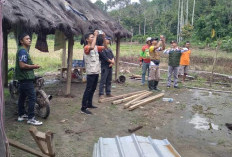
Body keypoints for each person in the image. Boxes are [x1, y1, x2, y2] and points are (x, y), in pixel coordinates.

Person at [15, 33, 43, 126]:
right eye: (27, 39)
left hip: (22, 79)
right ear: (21, 41)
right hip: (26, 78)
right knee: (32, 97)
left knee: (22, 97)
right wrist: (34, 66)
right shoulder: (23, 51)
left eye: (30, 39)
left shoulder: (22, 50)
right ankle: (31, 118)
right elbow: (22, 65)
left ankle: (21, 114)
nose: (29, 40)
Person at [81, 30, 107, 114]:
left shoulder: (96, 47)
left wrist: (103, 37)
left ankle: (89, 104)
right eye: (91, 37)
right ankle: (83, 107)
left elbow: (105, 47)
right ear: (87, 40)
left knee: (93, 89)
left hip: (96, 71)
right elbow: (91, 48)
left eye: (93, 36)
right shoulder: (86, 47)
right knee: (88, 89)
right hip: (90, 72)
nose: (93, 38)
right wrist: (96, 36)